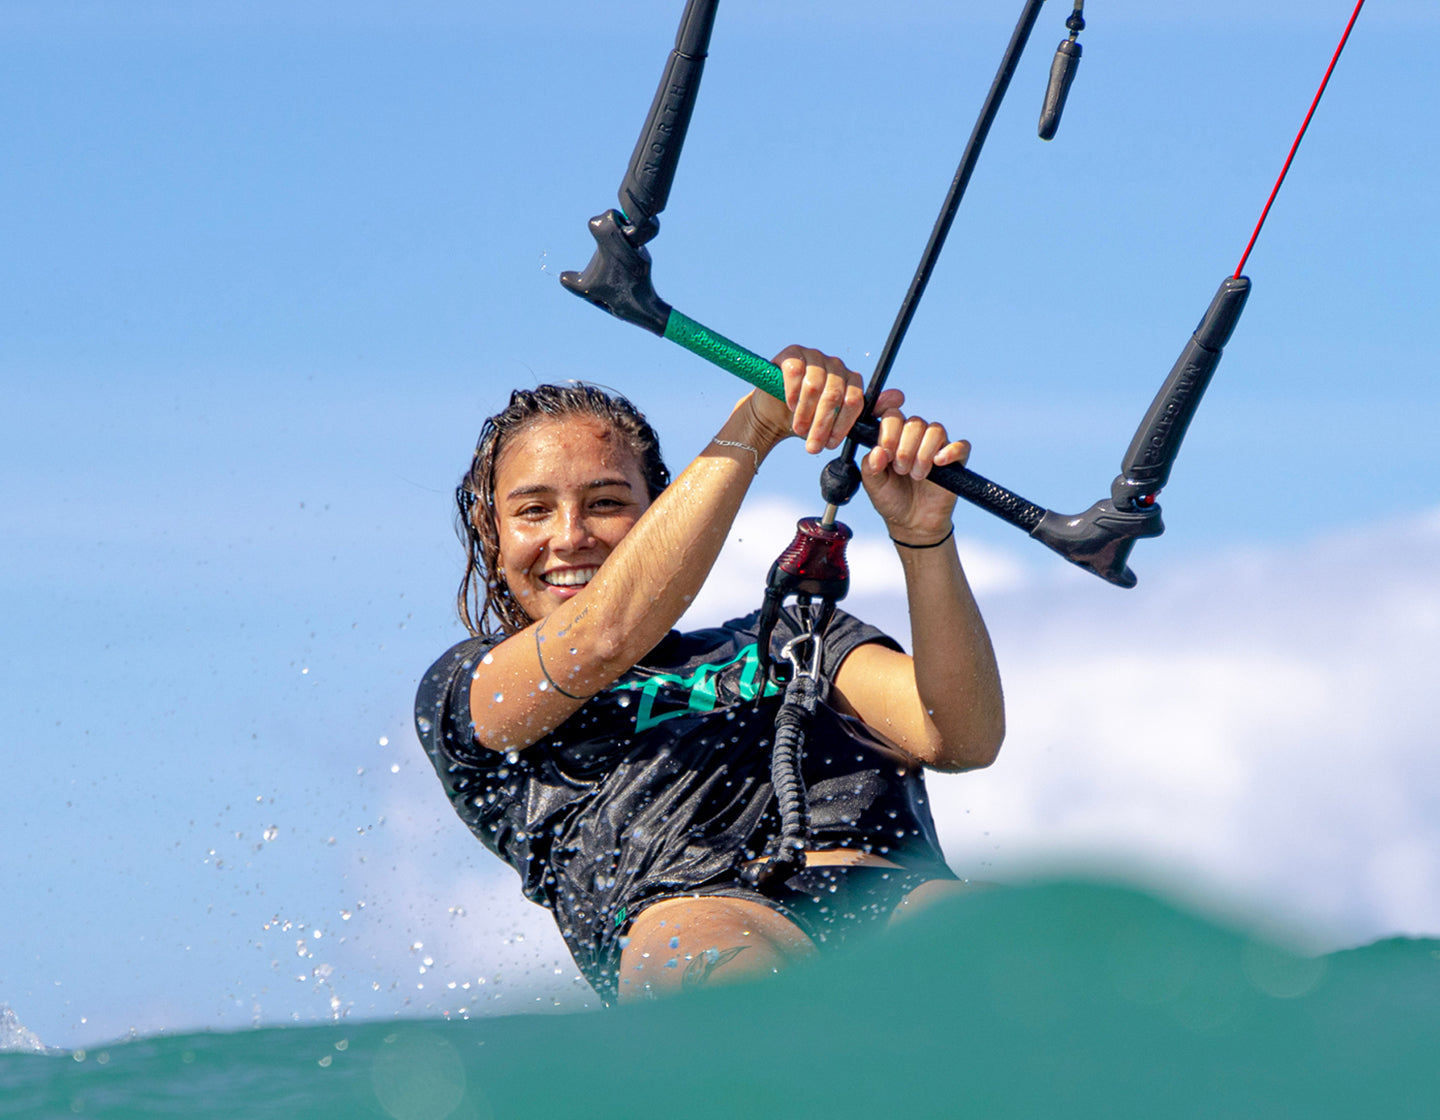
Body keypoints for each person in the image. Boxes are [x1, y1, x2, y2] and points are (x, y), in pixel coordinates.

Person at [415, 347, 1004, 1002]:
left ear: (657, 515)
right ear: (490, 533)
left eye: (606, 502)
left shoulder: (792, 634)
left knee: (1021, 947)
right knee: (720, 973)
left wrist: (924, 536)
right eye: (533, 511)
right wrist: (755, 425)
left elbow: (962, 738)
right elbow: (601, 638)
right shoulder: (468, 687)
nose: (571, 535)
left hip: (895, 896)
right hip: (688, 911)